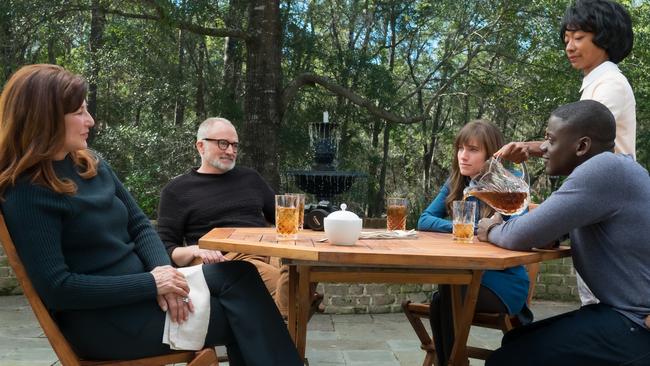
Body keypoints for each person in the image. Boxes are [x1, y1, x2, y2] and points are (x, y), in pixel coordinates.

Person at [0, 64, 302, 365]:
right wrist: (152, 284)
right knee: (250, 314)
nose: (90, 120)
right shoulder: (27, 192)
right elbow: (58, 289)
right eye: (78, 112)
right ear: (46, 118)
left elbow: (140, 225)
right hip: (109, 323)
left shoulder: (90, 164)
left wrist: (165, 275)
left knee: (240, 276)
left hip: (145, 294)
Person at [479, 100, 650, 366]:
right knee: (514, 340)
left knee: (506, 360)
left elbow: (518, 236)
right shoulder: (614, 170)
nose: (543, 148)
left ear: (581, 146)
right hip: (624, 314)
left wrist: (491, 229)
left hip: (636, 323)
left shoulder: (602, 171)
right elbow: (547, 230)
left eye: (550, 140)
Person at [496, 0, 635, 306]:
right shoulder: (595, 82)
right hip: (599, 199)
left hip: (606, 199)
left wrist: (530, 148)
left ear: (605, 37)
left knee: (603, 301)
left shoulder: (610, 83)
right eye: (567, 40)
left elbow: (581, 144)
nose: (570, 47)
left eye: (579, 38)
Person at [417, 120, 531, 366]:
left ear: (492, 155)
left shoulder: (511, 186)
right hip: (467, 278)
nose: (463, 156)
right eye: (460, 148)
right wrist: (463, 228)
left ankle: (452, 363)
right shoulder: (457, 182)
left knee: (447, 293)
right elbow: (424, 219)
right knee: (444, 294)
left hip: (505, 282)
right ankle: (454, 362)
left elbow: (521, 231)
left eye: (473, 150)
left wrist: (488, 228)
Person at [157, 117, 295, 317]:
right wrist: (196, 249)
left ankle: (275, 328)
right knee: (294, 290)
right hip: (224, 258)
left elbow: (284, 217)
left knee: (302, 271)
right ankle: (287, 319)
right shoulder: (177, 191)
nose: (230, 151)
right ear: (200, 146)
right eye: (223, 143)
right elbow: (165, 249)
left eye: (234, 145)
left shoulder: (250, 178)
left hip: (267, 250)